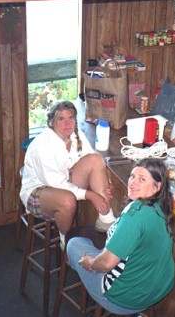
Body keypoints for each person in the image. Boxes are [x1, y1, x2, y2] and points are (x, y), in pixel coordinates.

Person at [66, 158, 175, 317]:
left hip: (124, 299)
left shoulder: (134, 216)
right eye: (132, 176)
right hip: (157, 288)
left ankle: (95, 293)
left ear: (157, 187)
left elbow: (106, 264)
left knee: (74, 244)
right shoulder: (163, 207)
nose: (133, 182)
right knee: (112, 252)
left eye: (142, 179)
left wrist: (90, 263)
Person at [20, 100, 116, 248]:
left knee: (96, 159)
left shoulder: (76, 135)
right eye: (61, 119)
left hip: (65, 181)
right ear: (51, 122)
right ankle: (65, 240)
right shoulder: (42, 147)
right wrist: (91, 195)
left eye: (71, 118)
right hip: (38, 191)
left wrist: (107, 183)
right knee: (67, 200)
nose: (67, 123)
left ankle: (106, 218)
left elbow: (92, 159)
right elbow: (57, 184)